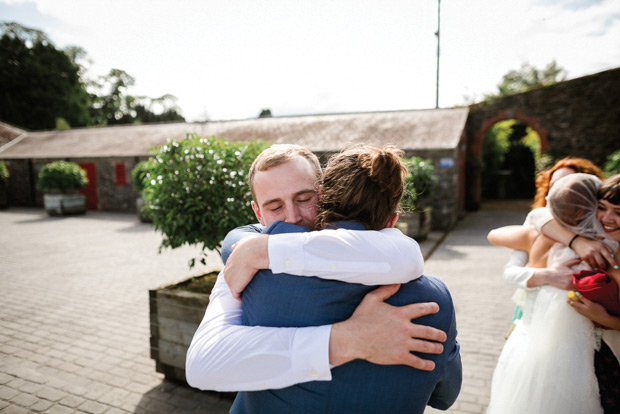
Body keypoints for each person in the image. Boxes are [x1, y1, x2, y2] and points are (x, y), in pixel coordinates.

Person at [186, 144, 448, 393]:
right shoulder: (240, 258)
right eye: (275, 207)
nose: (292, 217)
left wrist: (265, 251)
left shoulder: (251, 253)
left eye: (303, 199)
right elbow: (201, 364)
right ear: (258, 213)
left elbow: (408, 256)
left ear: (324, 194)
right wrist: (344, 340)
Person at [487, 173, 620, 414]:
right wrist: (552, 269)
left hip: (584, 347)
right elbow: (521, 226)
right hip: (535, 335)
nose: (607, 217)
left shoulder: (606, 242)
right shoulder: (545, 232)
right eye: (602, 208)